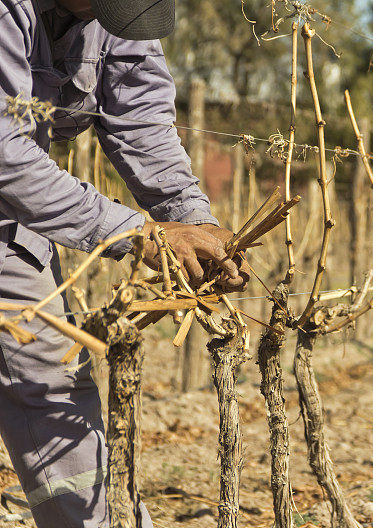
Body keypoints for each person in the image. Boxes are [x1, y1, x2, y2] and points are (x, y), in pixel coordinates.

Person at [0, 0, 248, 525]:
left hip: (9, 223)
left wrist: (192, 224)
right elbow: (4, 153)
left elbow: (141, 119)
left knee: (52, 384)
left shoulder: (118, 16)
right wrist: (138, 234)